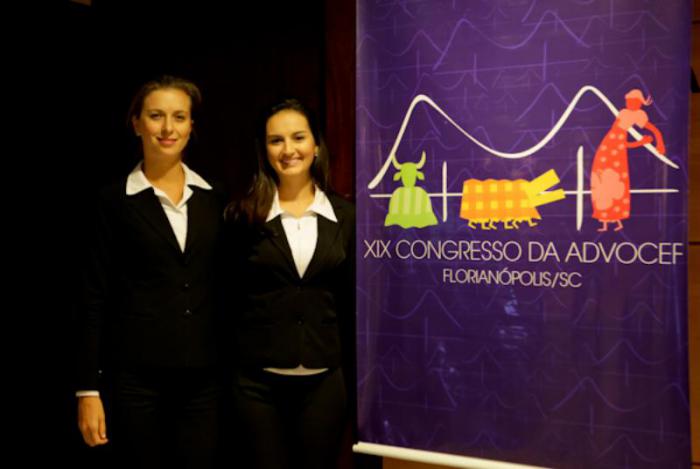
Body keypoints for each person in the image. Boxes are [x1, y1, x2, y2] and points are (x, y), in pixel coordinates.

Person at [76, 75, 225, 468]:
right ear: (136, 124)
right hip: (134, 382)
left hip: (203, 381)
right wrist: (87, 389)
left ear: (191, 126)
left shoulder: (215, 198)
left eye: (179, 117)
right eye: (156, 116)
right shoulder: (112, 201)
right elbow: (93, 298)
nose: (168, 128)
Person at [223, 98, 355, 469]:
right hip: (257, 386)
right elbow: (227, 299)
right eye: (276, 140)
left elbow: (351, 302)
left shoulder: (347, 216)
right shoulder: (242, 215)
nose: (288, 149)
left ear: (316, 145)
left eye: (298, 137)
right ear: (264, 151)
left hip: (324, 383)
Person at [590, 88, 666, 232]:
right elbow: (618, 142)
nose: (629, 103)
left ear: (639, 103)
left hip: (615, 153)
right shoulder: (624, 113)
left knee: (617, 184)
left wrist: (659, 142)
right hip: (608, 151)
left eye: (632, 101)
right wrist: (641, 142)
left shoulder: (637, 115)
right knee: (602, 183)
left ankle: (617, 219)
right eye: (628, 101)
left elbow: (652, 129)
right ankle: (605, 220)